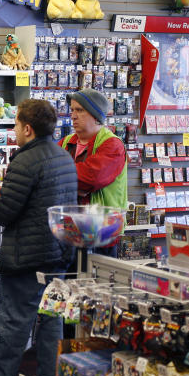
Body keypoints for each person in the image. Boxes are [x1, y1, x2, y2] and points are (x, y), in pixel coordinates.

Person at [0, 99, 77, 376]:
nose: (14, 129)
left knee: (14, 321)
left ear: (27, 128)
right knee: (51, 319)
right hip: (58, 253)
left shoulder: (25, 160)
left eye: (16, 124)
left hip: (26, 258)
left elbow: (4, 213)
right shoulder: (63, 157)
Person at [59, 87, 127, 255]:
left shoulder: (113, 145)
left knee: (98, 280)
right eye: (72, 110)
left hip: (102, 233)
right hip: (71, 231)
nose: (73, 115)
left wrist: (59, 176)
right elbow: (45, 169)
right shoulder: (66, 141)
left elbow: (89, 178)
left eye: (80, 110)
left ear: (96, 117)